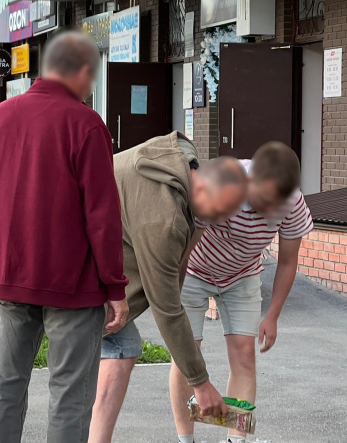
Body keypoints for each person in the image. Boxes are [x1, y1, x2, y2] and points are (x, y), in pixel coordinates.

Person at [0, 30, 128, 443]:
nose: (91, 88)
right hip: (72, 285)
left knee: (5, 385)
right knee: (69, 395)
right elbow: (102, 217)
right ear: (81, 72)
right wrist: (115, 286)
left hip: (11, 275)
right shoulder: (86, 125)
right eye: (92, 78)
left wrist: (4, 240)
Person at [89, 132, 248, 443]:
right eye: (215, 212)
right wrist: (200, 383)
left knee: (123, 345)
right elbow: (167, 309)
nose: (214, 222)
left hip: (97, 249)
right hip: (73, 266)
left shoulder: (182, 155)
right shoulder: (163, 221)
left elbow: (178, 260)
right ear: (201, 184)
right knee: (104, 350)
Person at [169, 142, 314, 443]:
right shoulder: (223, 184)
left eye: (277, 203)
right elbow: (187, 242)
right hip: (195, 271)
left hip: (242, 275)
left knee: (245, 356)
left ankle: (236, 440)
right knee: (188, 355)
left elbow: (287, 261)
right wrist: (172, 289)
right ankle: (186, 440)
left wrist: (272, 315)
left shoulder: (292, 202)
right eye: (264, 199)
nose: (269, 211)